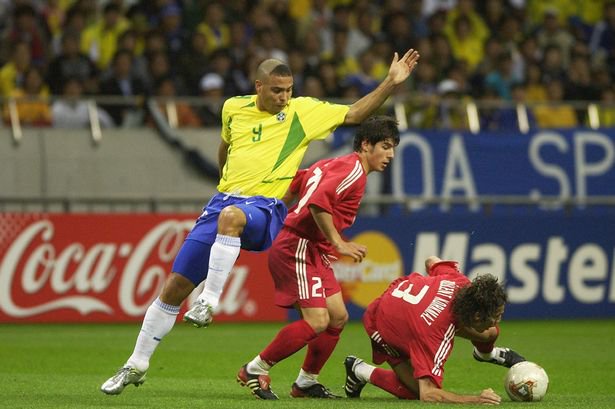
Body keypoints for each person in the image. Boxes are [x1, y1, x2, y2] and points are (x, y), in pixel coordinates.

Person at [100, 49, 420, 395]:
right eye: (277, 90)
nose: (284, 97)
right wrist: (226, 180)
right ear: (258, 87)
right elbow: (225, 147)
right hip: (222, 203)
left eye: (288, 90)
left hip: (265, 208)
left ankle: (208, 301)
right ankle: (136, 364)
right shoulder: (233, 108)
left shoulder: (303, 112)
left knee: (232, 218)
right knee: (174, 286)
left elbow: (356, 112)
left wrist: (390, 81)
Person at [237, 115, 400, 400]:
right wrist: (339, 243)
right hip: (299, 247)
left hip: (312, 249)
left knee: (337, 317)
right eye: (385, 146)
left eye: (393, 148)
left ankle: (306, 382)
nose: (391, 155)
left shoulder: (334, 164)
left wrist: (271, 218)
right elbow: (317, 201)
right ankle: (255, 368)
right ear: (365, 144)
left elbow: (299, 182)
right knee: (317, 321)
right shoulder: (353, 171)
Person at [343, 256, 526, 404]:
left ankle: (486, 354)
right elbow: (428, 394)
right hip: (383, 323)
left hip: (406, 304)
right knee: (414, 391)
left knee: (489, 333)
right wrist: (475, 400)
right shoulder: (434, 334)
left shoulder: (461, 283)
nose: (499, 320)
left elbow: (431, 260)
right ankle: (359, 369)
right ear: (477, 316)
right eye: (497, 315)